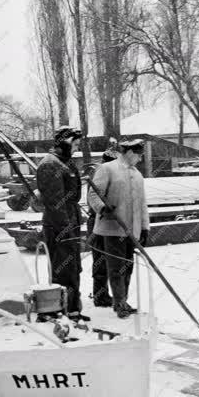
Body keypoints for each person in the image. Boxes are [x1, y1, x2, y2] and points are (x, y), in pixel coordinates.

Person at [87, 138, 150, 319]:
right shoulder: (107, 169)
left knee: (127, 267)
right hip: (112, 228)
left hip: (132, 230)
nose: (140, 159)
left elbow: (142, 204)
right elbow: (94, 193)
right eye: (139, 155)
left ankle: (122, 300)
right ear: (130, 153)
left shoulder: (137, 175)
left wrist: (145, 228)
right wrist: (102, 208)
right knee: (116, 268)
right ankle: (119, 303)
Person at [36, 125, 87, 320]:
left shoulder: (66, 163)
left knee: (73, 267)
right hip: (59, 227)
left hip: (70, 223)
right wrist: (65, 229)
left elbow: (71, 198)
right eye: (75, 143)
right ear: (64, 142)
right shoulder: (50, 165)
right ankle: (60, 311)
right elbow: (54, 203)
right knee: (63, 269)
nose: (77, 147)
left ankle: (72, 309)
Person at [85, 139, 118, 307]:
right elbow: (93, 199)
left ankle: (103, 294)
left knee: (106, 260)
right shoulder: (100, 173)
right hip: (97, 222)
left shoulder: (105, 172)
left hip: (103, 221)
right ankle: (100, 295)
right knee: (100, 261)